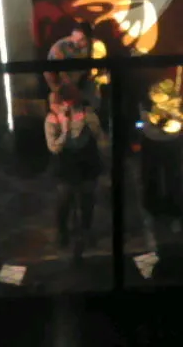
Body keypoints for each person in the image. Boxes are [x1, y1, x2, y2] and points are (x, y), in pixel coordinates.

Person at [45, 88, 108, 253]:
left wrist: (104, 152)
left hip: (87, 162)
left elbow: (100, 138)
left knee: (87, 199)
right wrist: (65, 130)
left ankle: (86, 230)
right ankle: (62, 231)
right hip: (65, 165)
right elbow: (54, 147)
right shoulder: (52, 120)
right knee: (64, 198)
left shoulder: (88, 116)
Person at [140, 79, 183, 233]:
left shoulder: (176, 103)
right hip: (151, 142)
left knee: (174, 178)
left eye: (159, 92)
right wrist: (159, 121)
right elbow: (146, 119)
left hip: (172, 144)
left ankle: (175, 214)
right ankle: (151, 211)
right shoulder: (146, 104)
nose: (154, 94)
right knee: (150, 178)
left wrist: (179, 118)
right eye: (153, 92)